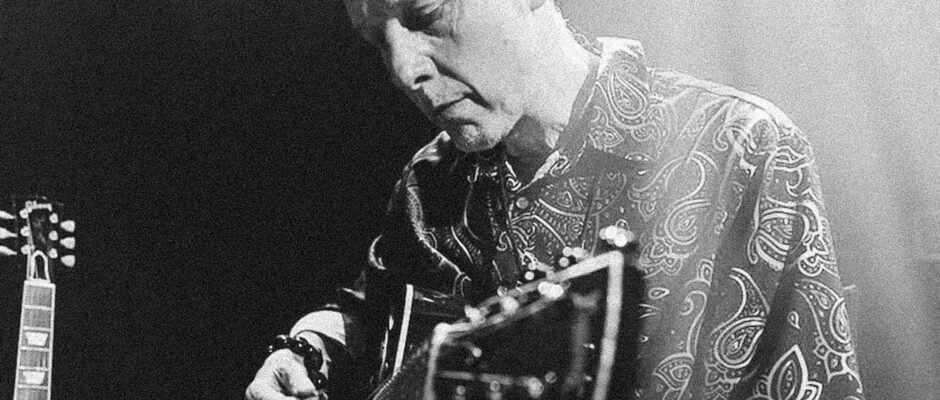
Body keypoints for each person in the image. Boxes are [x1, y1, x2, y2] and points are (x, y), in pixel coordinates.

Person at [246, 0, 866, 399]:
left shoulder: (739, 145)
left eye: (426, 14)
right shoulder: (429, 179)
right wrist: (308, 345)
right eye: (377, 41)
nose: (404, 70)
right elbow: (372, 310)